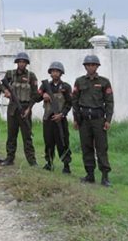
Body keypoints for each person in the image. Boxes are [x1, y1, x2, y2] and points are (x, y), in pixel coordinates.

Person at [72, 55, 114, 187]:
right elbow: (75, 101)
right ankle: (89, 175)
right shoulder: (79, 81)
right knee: (86, 147)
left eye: (93, 65)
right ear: (85, 66)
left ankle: (105, 176)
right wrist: (76, 119)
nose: (91, 67)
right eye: (88, 65)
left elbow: (109, 102)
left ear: (97, 67)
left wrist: (108, 119)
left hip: (99, 119)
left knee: (101, 147)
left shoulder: (104, 82)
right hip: (84, 120)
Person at [0, 52, 38, 166]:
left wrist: (29, 109)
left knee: (27, 136)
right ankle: (9, 158)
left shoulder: (31, 76)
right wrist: (5, 91)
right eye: (20, 61)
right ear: (17, 63)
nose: (21, 64)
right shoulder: (10, 74)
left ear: (27, 63)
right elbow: (2, 84)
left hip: (25, 108)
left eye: (24, 62)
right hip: (12, 109)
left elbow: (35, 94)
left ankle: (32, 161)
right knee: (11, 135)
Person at [37, 61, 72, 173]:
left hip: (60, 119)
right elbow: (37, 97)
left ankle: (66, 165)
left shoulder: (66, 87)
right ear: (50, 73)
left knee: (63, 141)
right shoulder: (45, 85)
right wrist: (43, 95)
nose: (55, 73)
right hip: (48, 119)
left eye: (57, 71)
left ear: (61, 73)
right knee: (48, 141)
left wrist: (62, 115)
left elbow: (69, 103)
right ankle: (49, 163)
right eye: (53, 71)